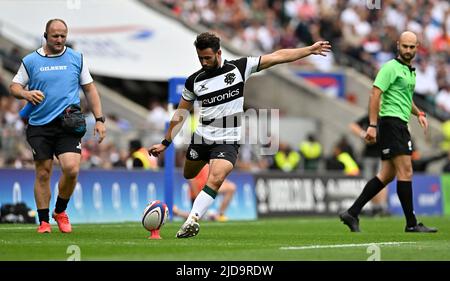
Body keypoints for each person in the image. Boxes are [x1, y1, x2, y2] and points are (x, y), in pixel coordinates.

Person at [149, 32, 331, 238]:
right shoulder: (194, 82)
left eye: (207, 58)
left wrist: (309, 50)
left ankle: (192, 219)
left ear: (219, 53)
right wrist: (166, 142)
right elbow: (181, 114)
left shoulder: (239, 68)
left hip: (228, 139)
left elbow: (277, 56)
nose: (204, 62)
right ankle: (196, 203)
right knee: (189, 174)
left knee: (216, 178)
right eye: (200, 58)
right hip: (201, 138)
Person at [9, 19, 106, 233]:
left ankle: (60, 211)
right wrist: (25, 93)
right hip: (39, 125)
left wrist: (99, 119)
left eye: (63, 35)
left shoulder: (76, 58)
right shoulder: (31, 61)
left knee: (71, 169)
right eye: (55, 36)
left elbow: (90, 90)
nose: (60, 39)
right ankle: (44, 222)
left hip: (68, 123)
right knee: (43, 172)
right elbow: (14, 86)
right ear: (45, 35)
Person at [339, 31, 437, 233]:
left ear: (417, 47)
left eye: (412, 47)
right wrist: (373, 125)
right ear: (398, 45)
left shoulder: (409, 71)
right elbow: (375, 93)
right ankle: (411, 223)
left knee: (386, 175)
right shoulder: (390, 68)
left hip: (398, 124)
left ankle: (352, 212)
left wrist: (418, 113)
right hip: (391, 124)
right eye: (405, 46)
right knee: (406, 171)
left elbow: (405, 98)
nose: (408, 50)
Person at [349, 114, 389, 216]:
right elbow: (353, 126)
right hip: (368, 155)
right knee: (370, 182)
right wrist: (363, 134)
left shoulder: (386, 117)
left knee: (382, 181)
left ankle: (382, 206)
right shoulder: (370, 117)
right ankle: (375, 207)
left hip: (382, 154)